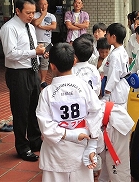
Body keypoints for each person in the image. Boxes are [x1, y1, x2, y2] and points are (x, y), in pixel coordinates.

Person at [36, 43, 102, 182]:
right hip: (82, 150)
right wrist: (92, 145)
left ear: (52, 66)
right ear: (74, 61)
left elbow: (45, 126)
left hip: (56, 155)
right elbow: (96, 113)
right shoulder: (84, 87)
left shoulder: (47, 93)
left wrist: (70, 135)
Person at [0, 0, 46, 162]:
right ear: (17, 11)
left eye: (33, 12)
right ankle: (22, 146)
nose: (31, 16)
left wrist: (40, 51)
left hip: (32, 71)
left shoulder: (30, 27)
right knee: (20, 112)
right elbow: (10, 54)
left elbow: (31, 49)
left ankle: (34, 141)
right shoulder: (9, 28)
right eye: (28, 12)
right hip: (18, 73)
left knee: (34, 107)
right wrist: (35, 53)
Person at [102, 23, 130, 109]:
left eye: (107, 34)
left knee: (116, 115)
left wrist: (107, 93)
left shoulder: (116, 55)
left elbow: (114, 76)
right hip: (120, 86)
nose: (106, 36)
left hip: (116, 89)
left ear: (113, 37)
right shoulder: (120, 50)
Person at [31, 0, 57, 88]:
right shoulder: (34, 14)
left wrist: (41, 27)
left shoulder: (52, 16)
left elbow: (53, 26)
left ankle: (43, 80)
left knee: (45, 62)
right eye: (41, 4)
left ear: (47, 5)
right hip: (36, 42)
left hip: (47, 42)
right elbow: (35, 23)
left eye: (45, 4)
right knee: (34, 61)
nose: (43, 6)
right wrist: (43, 15)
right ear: (38, 5)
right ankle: (35, 79)